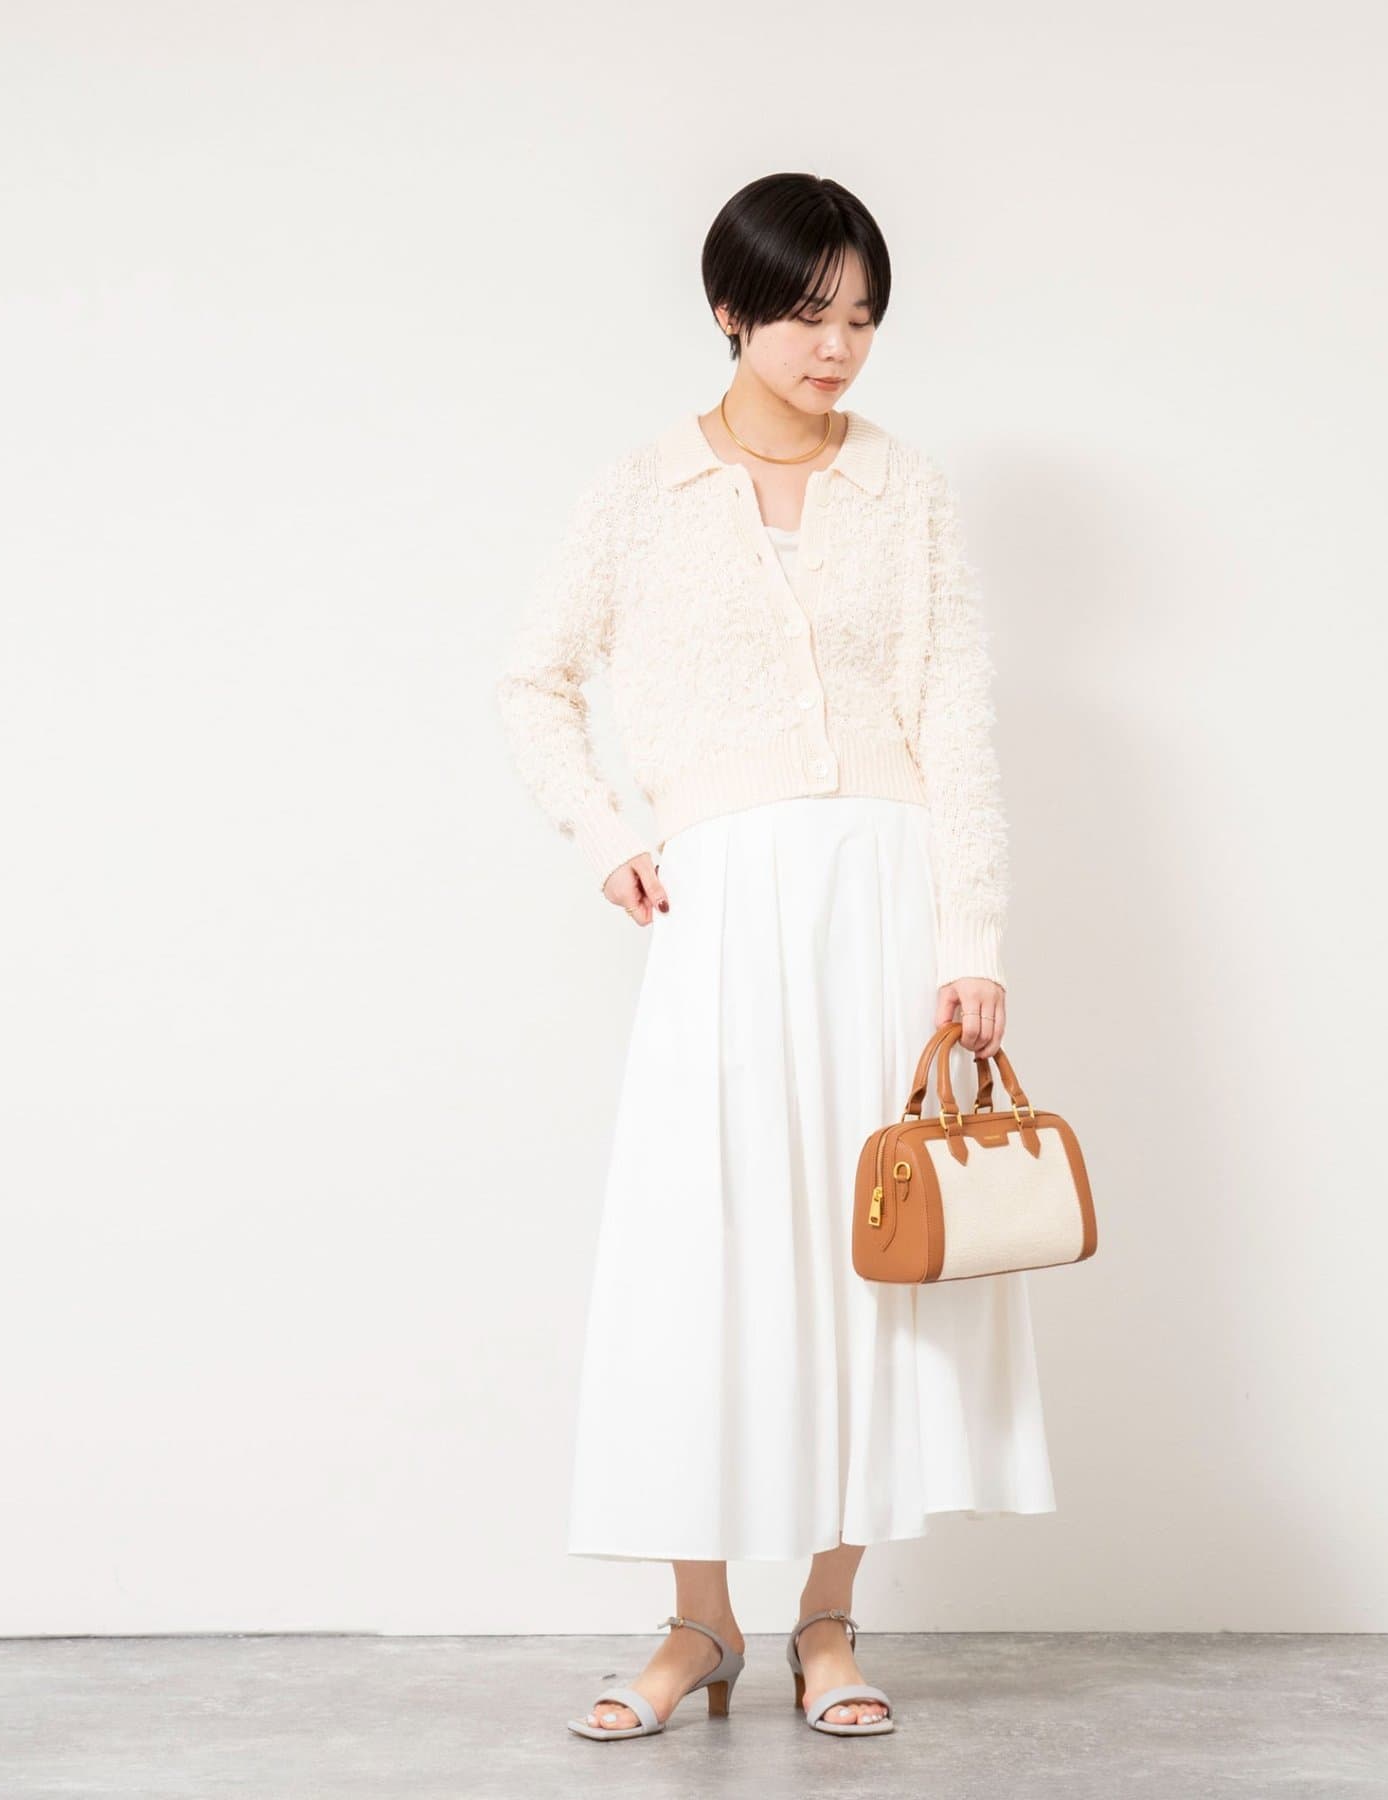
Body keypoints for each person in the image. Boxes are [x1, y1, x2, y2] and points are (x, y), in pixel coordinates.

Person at [494, 171, 1055, 1743]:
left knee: (864, 1252)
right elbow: (533, 679)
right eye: (809, 314)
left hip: (883, 899)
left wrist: (972, 935)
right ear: (730, 310)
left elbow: (956, 713)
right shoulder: (639, 494)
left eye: (862, 316)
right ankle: (699, 1623)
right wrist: (606, 834)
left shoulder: (907, 490)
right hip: (725, 910)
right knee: (708, 1248)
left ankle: (826, 1619)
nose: (837, 347)